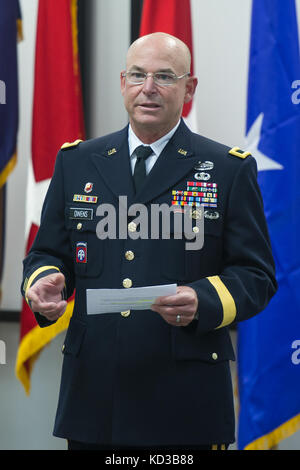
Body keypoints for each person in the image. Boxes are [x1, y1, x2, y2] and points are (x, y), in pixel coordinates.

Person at [22, 32, 277, 450]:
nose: (149, 88)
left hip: (184, 395)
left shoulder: (226, 170)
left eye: (165, 76)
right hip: (95, 393)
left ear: (189, 87)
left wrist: (204, 300)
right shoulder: (77, 161)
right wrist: (46, 279)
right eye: (138, 75)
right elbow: (49, 252)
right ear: (123, 82)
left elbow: (257, 275)